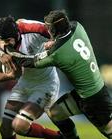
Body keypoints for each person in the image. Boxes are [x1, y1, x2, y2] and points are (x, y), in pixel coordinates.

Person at [20, 10, 112, 139]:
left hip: (94, 101)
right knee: (55, 113)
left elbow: (28, 62)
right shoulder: (77, 26)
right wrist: (53, 44)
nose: (47, 30)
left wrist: (5, 53)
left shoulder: (57, 53)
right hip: (87, 93)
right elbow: (63, 44)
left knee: (108, 131)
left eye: (48, 27)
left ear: (53, 29)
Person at [0, 16, 79, 139]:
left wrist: (55, 41)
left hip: (45, 84)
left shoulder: (34, 29)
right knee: (5, 128)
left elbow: (63, 35)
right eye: (4, 41)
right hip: (23, 84)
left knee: (19, 125)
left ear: (17, 33)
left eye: (9, 40)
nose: (7, 44)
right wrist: (9, 76)